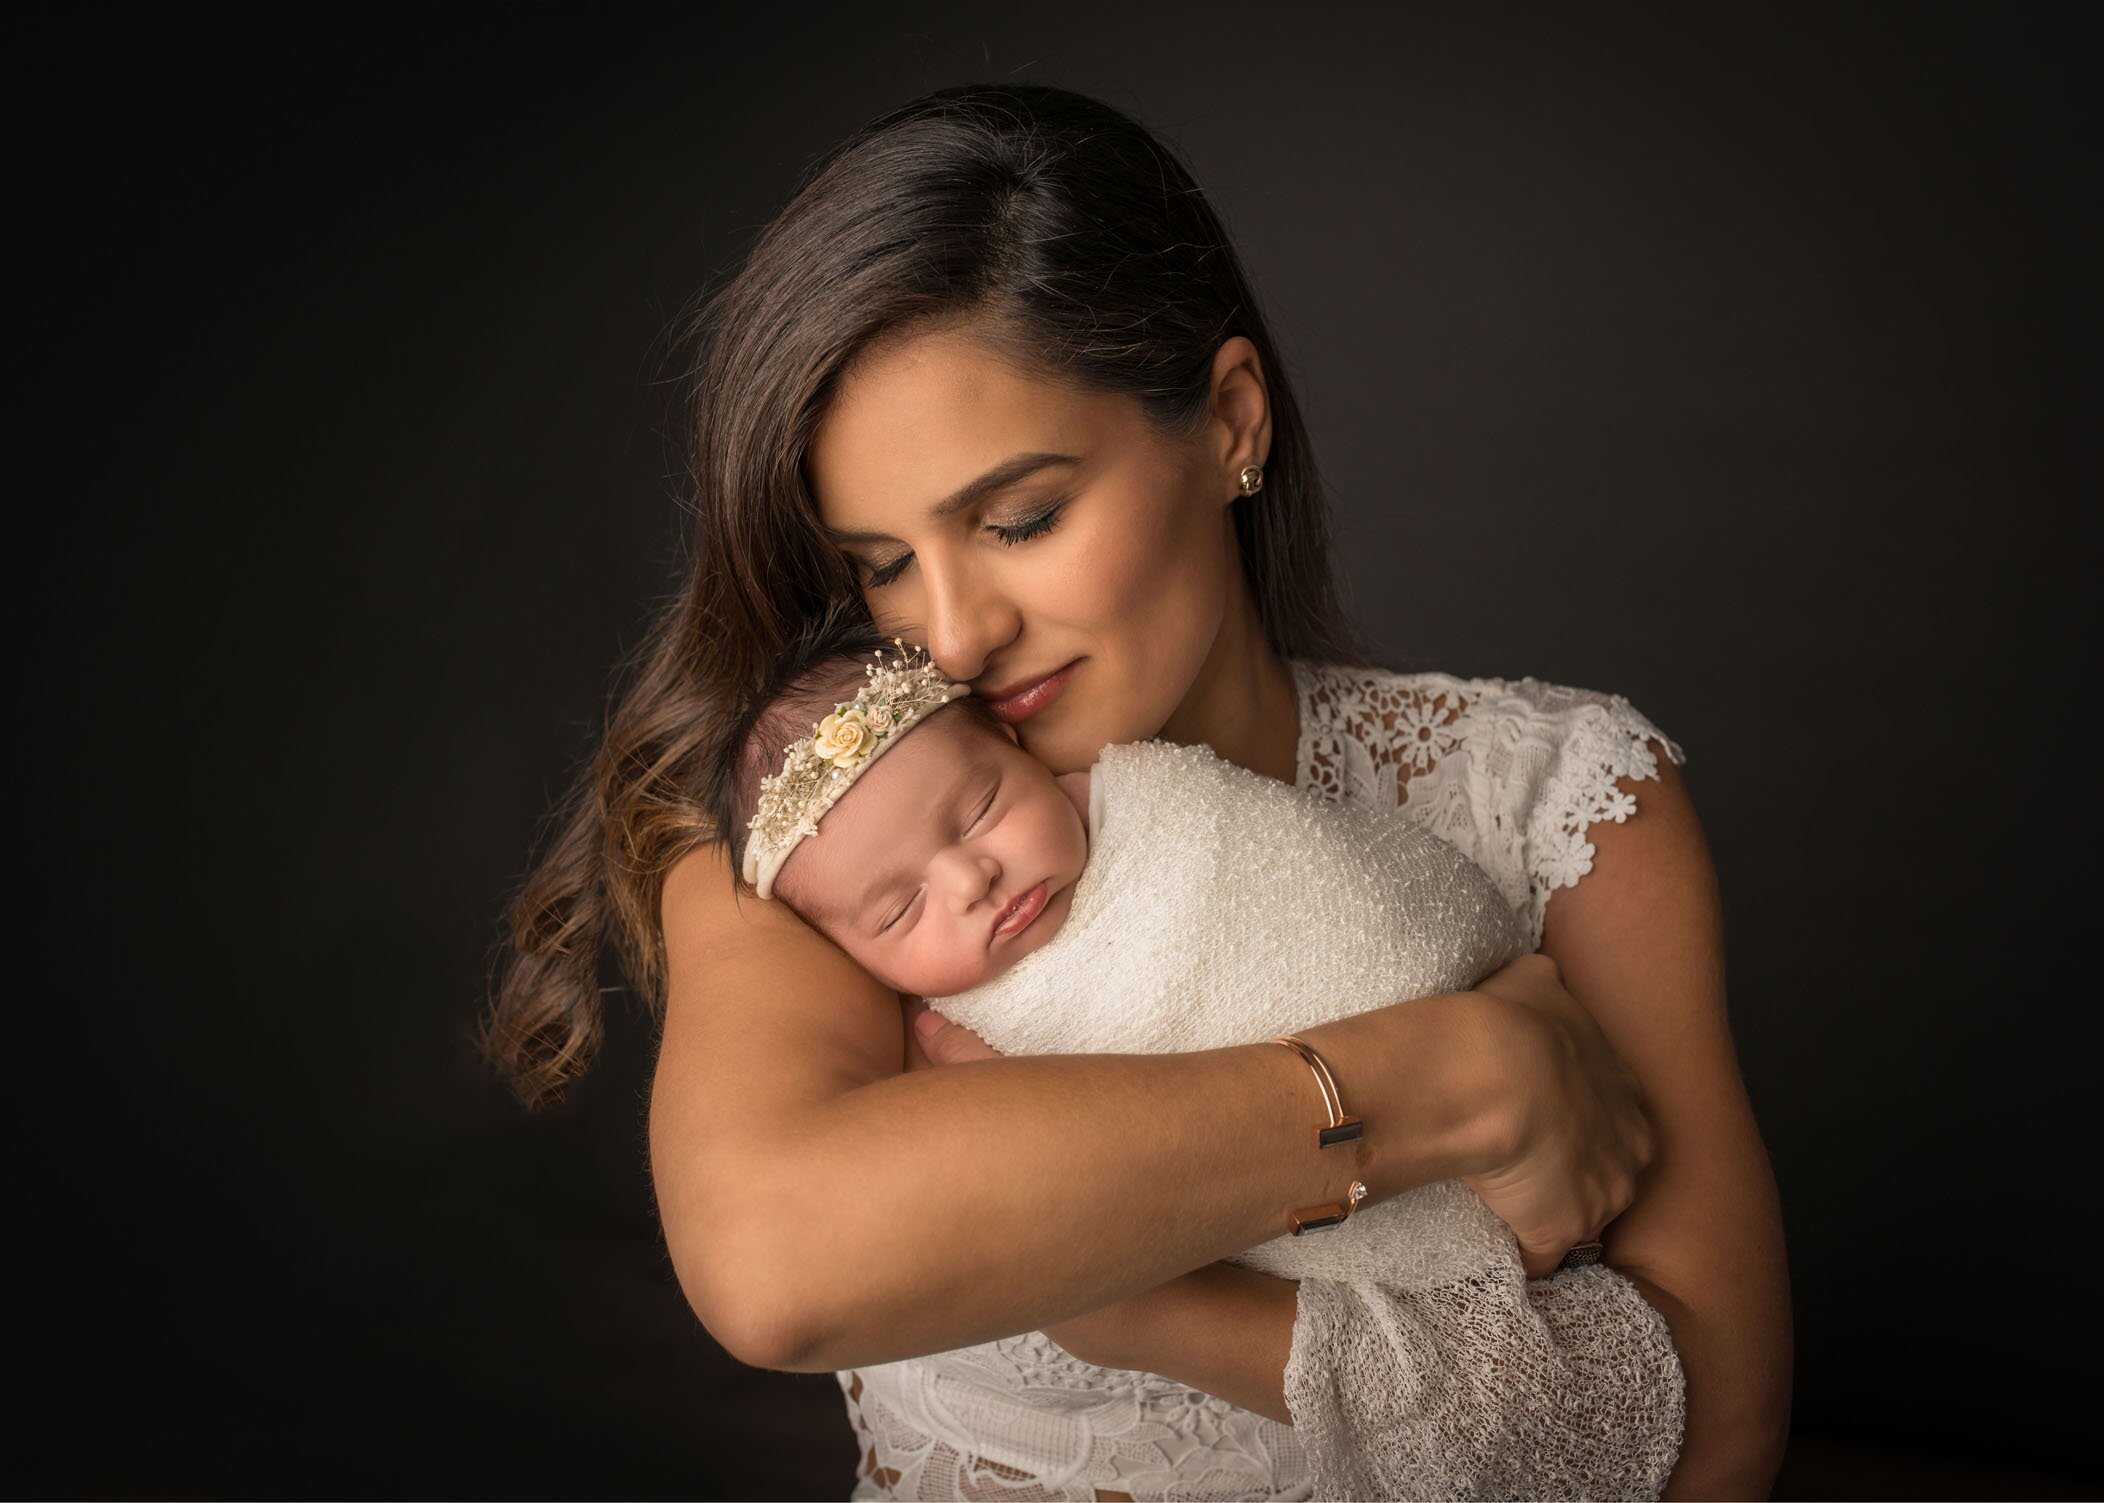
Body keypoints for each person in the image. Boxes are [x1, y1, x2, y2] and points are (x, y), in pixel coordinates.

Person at [481, 82, 1792, 1500]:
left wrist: (1146, 1300)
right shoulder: (832, 835)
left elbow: (1709, 1433)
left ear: (1231, 420)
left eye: (1020, 518)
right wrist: (1460, 1078)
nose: (956, 631)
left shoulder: (1556, 795)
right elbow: (777, 1261)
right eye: (882, 562)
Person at [710, 625, 1687, 1498]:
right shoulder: (804, 924)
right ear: (839, 948)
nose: (972, 877)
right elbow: (770, 1274)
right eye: (897, 911)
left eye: (977, 813)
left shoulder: (1166, 816)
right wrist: (1132, 1302)